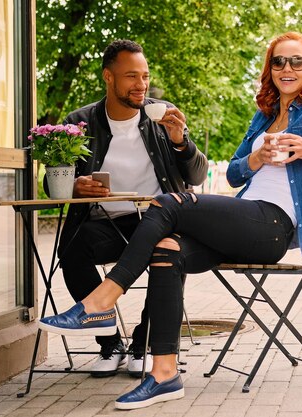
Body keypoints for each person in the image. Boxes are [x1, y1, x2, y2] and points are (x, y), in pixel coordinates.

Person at [39, 32, 302, 409]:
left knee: (168, 203)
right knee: (167, 250)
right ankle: (164, 374)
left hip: (274, 228)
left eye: (297, 61)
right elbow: (234, 175)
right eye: (279, 61)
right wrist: (257, 158)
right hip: (244, 221)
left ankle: (101, 300)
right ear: (270, 68)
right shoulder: (264, 116)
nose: (287, 69)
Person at [43, 40, 208, 377]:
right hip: (107, 222)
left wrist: (181, 141)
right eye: (131, 76)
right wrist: (74, 186)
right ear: (108, 77)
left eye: (145, 76)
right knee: (72, 248)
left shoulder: (163, 116)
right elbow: (52, 181)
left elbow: (197, 175)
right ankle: (109, 343)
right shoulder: (80, 122)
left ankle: (143, 343)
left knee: (170, 252)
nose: (141, 85)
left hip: (158, 221)